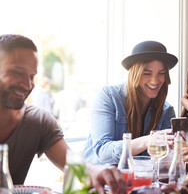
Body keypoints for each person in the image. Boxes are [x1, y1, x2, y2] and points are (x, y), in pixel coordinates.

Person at [0, 34, 126, 194]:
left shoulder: (38, 120)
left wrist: (96, 171)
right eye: (17, 72)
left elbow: (72, 164)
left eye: (32, 76)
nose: (27, 84)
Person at [85, 40, 177, 165]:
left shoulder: (166, 111)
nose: (155, 81)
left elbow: (164, 159)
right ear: (135, 73)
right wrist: (148, 141)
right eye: (147, 73)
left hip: (138, 180)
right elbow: (103, 151)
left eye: (161, 73)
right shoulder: (108, 96)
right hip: (98, 180)